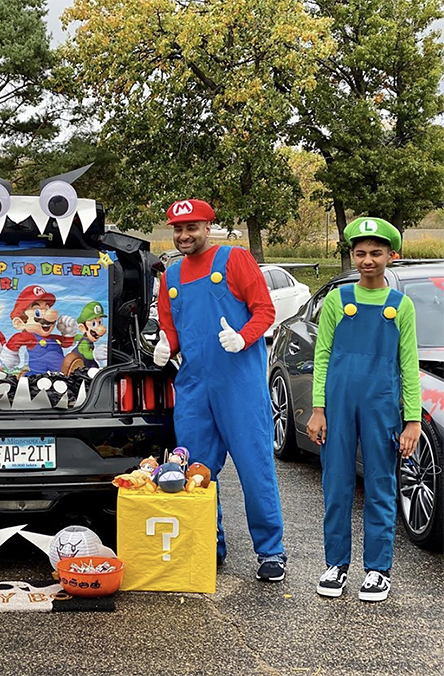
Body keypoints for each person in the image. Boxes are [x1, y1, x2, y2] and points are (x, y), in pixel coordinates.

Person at [154, 199, 287, 582]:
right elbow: (171, 329)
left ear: (207, 228)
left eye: (191, 228)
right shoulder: (171, 276)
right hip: (194, 385)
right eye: (177, 229)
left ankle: (271, 551)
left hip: (238, 384)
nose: (183, 236)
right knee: (195, 471)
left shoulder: (234, 259)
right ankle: (209, 542)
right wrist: (167, 345)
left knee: (254, 466)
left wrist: (244, 338)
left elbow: (264, 309)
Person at [307, 217, 420, 602]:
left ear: (392, 255)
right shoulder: (339, 300)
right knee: (336, 484)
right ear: (352, 256)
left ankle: (377, 570)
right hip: (338, 405)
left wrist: (413, 421)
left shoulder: (400, 306)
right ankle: (336, 565)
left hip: (382, 405)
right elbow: (321, 357)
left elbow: (409, 365)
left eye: (376, 253)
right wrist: (317, 408)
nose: (367, 260)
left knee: (380, 486)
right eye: (360, 253)